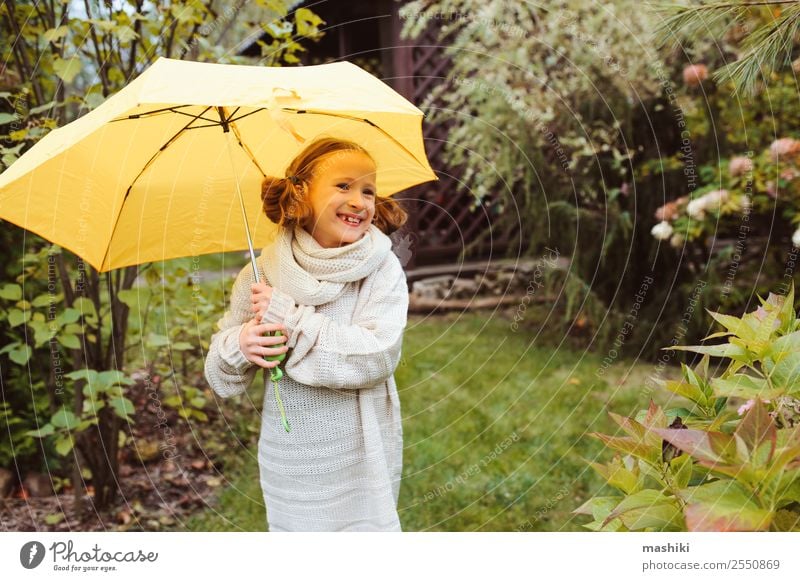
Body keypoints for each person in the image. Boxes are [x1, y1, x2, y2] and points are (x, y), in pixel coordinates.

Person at [203, 137, 410, 532]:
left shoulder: (380, 269)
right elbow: (221, 378)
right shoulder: (261, 276)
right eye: (344, 186)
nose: (360, 201)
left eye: (368, 190)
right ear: (301, 195)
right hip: (293, 454)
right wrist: (241, 344)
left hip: (361, 450)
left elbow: (376, 355)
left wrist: (292, 320)